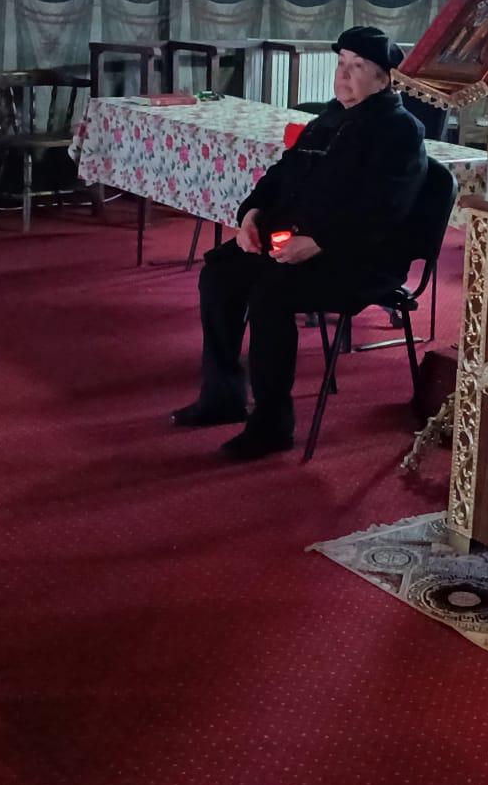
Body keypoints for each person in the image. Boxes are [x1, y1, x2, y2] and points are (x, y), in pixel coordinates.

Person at [175, 26, 428, 461]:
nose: (343, 75)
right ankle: (223, 396)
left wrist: (319, 242)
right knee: (220, 272)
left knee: (271, 292)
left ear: (385, 79)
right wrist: (251, 215)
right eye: (341, 63)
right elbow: (280, 175)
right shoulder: (330, 118)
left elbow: (384, 211)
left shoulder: (400, 131)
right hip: (299, 240)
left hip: (360, 257)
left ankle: (272, 424)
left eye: (357, 66)